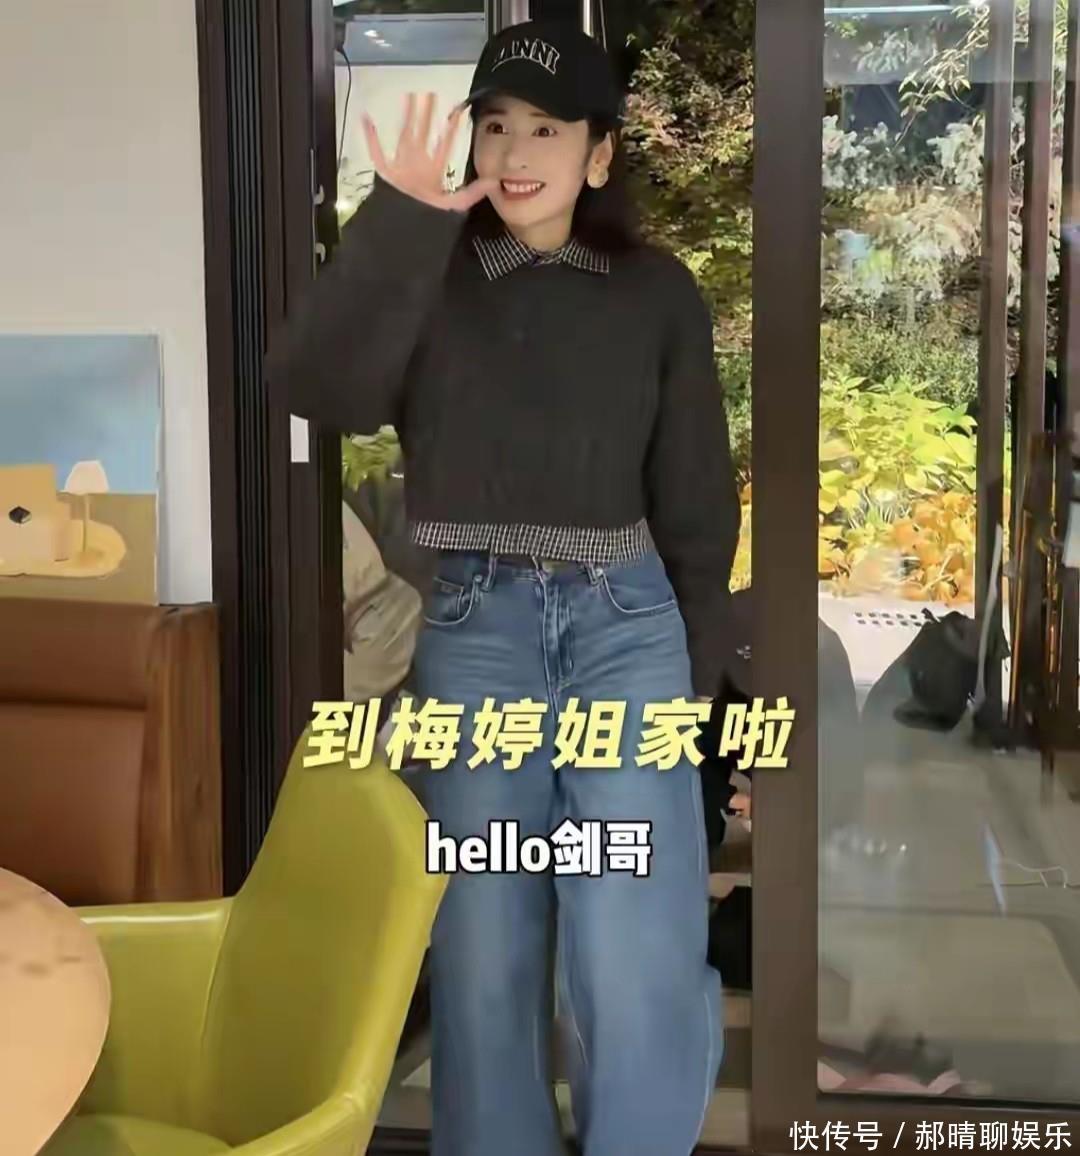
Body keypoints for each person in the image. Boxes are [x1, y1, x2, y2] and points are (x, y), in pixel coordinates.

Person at [265, 20, 741, 1156]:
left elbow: (695, 496)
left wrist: (702, 679)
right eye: (495, 126)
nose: (517, 153)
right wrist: (399, 218)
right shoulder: (431, 274)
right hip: (477, 631)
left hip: (627, 628)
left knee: (630, 939)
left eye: (546, 130)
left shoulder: (656, 293)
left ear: (599, 154)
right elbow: (317, 386)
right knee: (482, 938)